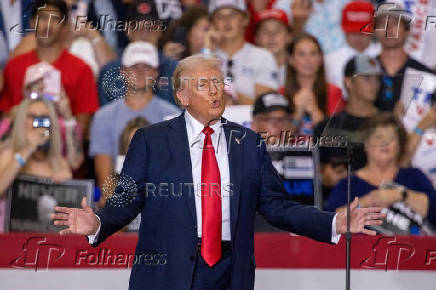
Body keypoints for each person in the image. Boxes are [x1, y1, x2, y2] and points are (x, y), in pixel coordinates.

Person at [52, 54, 385, 290]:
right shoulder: (151, 141)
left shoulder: (249, 143)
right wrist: (97, 221)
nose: (214, 90)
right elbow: (126, 201)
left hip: (230, 272)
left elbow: (276, 206)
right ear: (182, 95)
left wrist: (333, 222)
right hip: (166, 275)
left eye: (217, 82)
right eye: (203, 84)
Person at [89, 41, 180, 207]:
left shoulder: (173, 115)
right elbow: (105, 180)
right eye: (134, 67)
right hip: (119, 203)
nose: (140, 72)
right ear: (123, 72)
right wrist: (118, 211)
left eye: (146, 67)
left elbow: (175, 172)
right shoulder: (104, 117)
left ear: (156, 72)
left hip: (162, 203)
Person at [0, 0, 99, 140]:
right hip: (19, 151)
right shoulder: (14, 67)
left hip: (63, 154)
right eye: (42, 18)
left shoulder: (82, 70)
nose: (47, 25)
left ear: (65, 27)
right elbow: (4, 125)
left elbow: (81, 131)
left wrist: (64, 112)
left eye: (55, 19)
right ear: (32, 22)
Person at [326, 113, 436, 234]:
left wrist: (401, 195)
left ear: (399, 146)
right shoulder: (348, 184)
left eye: (392, 138)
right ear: (366, 143)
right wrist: (367, 201)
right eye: (379, 137)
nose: (385, 142)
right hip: (362, 251)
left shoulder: (414, 176)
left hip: (413, 251)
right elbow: (330, 222)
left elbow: (433, 210)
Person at [315, 54, 381, 202]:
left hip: (381, 206)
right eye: (366, 78)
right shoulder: (326, 126)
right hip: (338, 206)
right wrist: (323, 178)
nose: (374, 84)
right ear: (348, 82)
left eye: (377, 78)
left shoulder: (388, 124)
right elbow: (315, 170)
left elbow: (402, 167)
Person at [97, 0, 178, 106]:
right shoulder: (110, 71)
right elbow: (107, 116)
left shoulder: (175, 70)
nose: (144, 34)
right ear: (127, 30)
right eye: (137, 28)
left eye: (150, 28)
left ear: (160, 30)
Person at [206, 0, 280, 104]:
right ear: (212, 24)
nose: (227, 21)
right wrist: (207, 51)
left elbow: (266, 105)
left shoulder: (262, 56)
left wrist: (232, 95)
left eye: (233, 15)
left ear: (245, 19)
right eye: (220, 16)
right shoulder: (204, 57)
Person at [0, 97, 72, 195]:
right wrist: (27, 149)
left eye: (44, 117)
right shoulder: (9, 156)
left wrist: (64, 184)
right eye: (32, 116)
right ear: (22, 121)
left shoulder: (60, 163)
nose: (38, 123)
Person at [374, 3, 435, 112]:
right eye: (382, 24)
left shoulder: (424, 75)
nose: (388, 30)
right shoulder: (366, 70)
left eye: (395, 24)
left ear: (407, 30)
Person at [285, 33, 344, 136]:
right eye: (301, 54)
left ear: (321, 59)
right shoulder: (281, 93)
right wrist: (297, 114)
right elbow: (279, 140)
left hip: (323, 152)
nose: (308, 60)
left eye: (313, 54)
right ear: (291, 60)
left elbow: (335, 137)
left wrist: (314, 110)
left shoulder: (334, 92)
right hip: (290, 152)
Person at [325, 1, 380, 98]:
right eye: (353, 32)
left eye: (363, 32)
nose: (358, 37)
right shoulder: (330, 61)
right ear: (344, 30)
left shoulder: (383, 54)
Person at [272, 0, 352, 54]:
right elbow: (278, 47)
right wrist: (298, 23)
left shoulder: (349, 1)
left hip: (345, 58)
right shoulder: (285, 4)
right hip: (304, 63)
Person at [254, 9, 292, 92]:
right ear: (257, 38)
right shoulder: (248, 68)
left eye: (278, 30)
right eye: (265, 31)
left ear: (289, 36)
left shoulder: (298, 68)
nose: (271, 36)